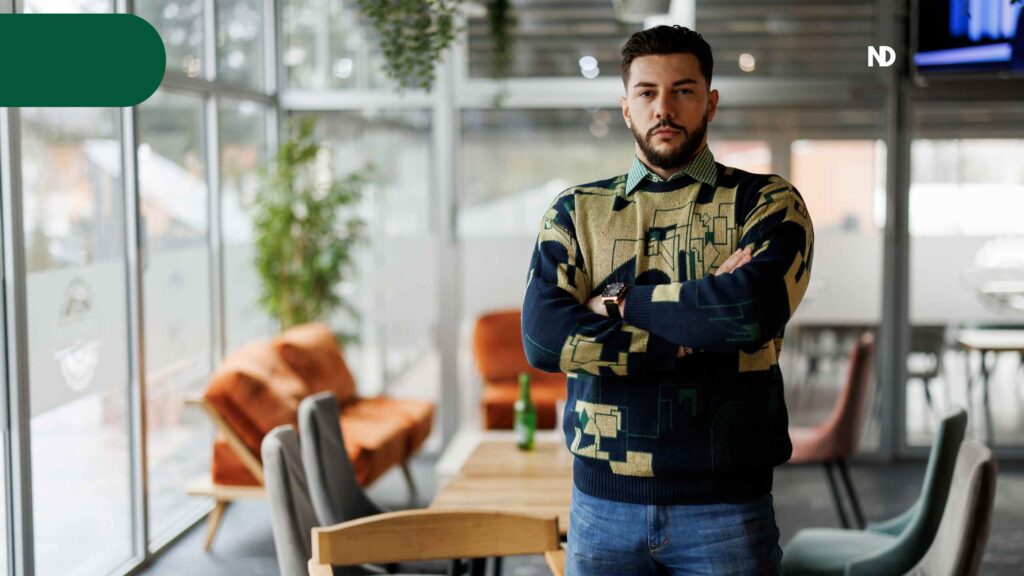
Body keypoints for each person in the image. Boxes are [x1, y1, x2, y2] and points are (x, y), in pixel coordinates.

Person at [521, 25, 814, 575]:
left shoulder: (767, 202)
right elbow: (541, 336)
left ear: (711, 101)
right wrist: (684, 339)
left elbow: (747, 312)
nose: (665, 108)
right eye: (647, 93)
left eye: (683, 90)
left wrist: (616, 300)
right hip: (600, 508)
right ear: (626, 107)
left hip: (727, 508)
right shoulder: (577, 212)